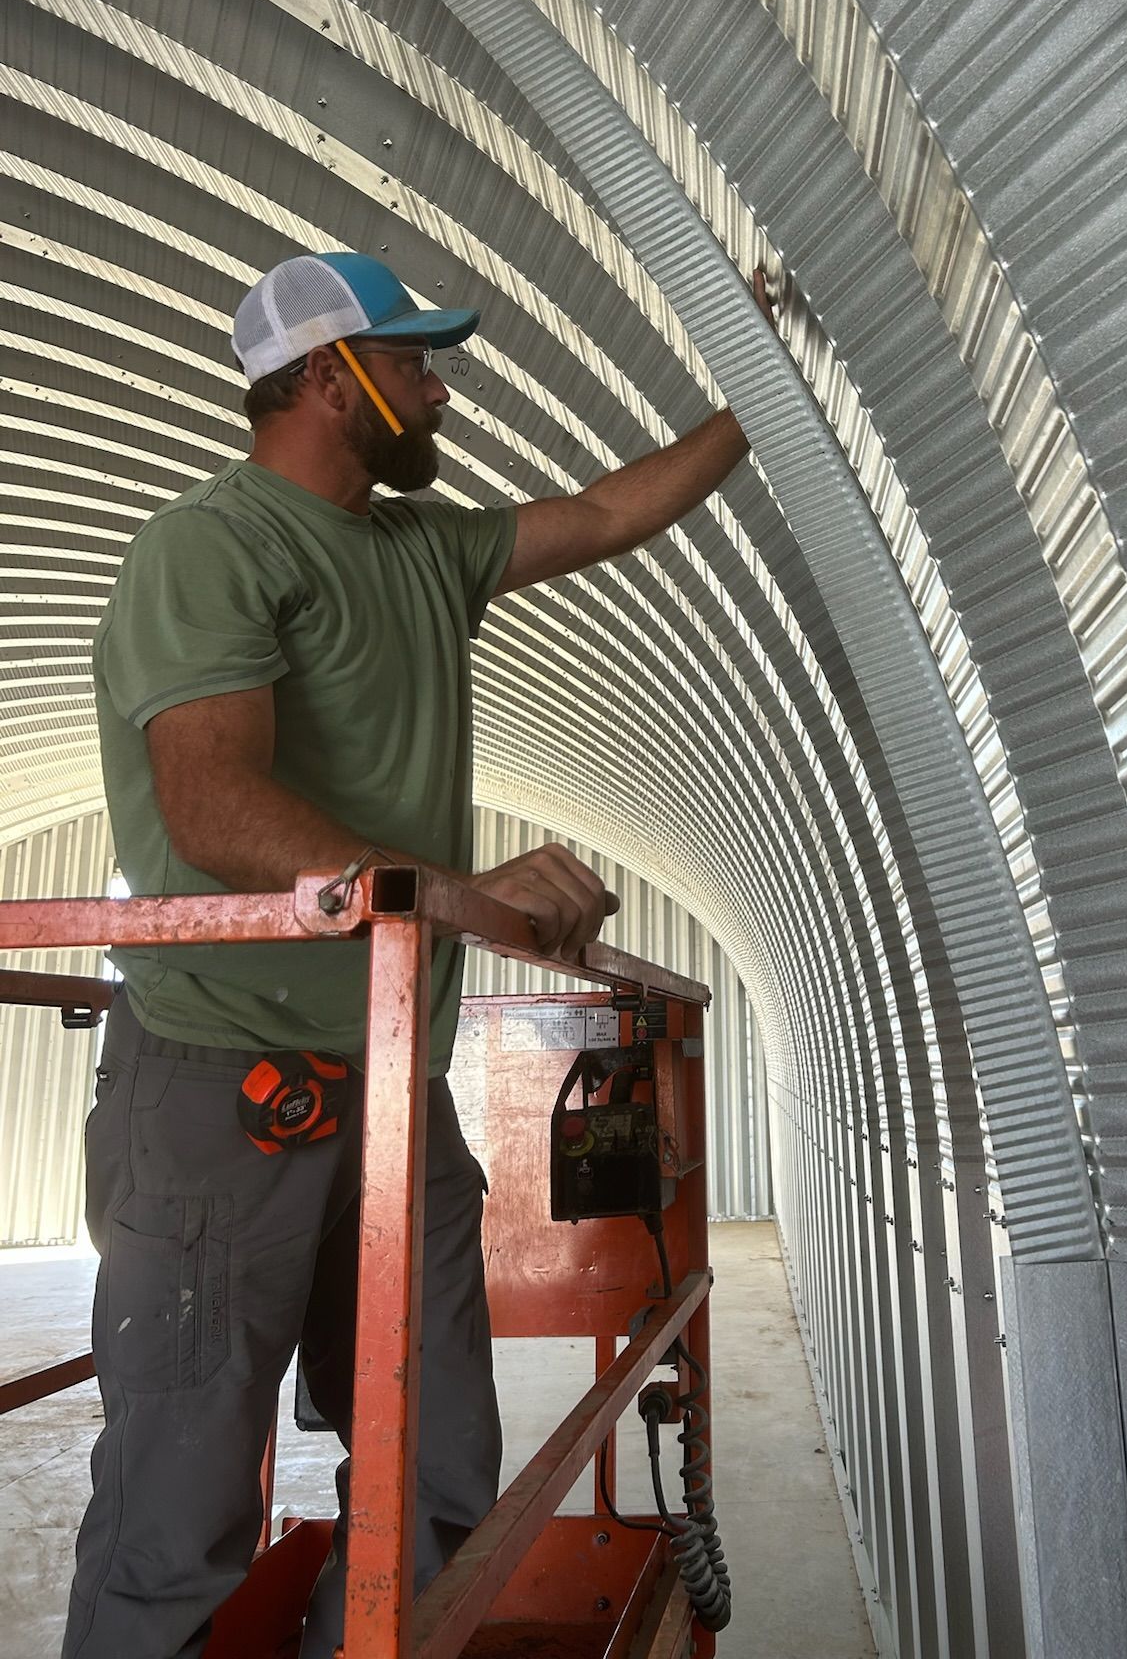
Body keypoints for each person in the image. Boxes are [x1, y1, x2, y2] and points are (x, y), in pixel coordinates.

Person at [66, 250, 773, 1659]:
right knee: (180, 1506)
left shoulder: (419, 551)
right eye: (414, 363)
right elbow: (210, 806)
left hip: (390, 1083)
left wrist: (764, 384)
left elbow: (609, 510)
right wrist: (455, 895)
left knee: (441, 1469)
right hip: (222, 1092)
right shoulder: (212, 547)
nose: (438, 388)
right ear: (333, 380)